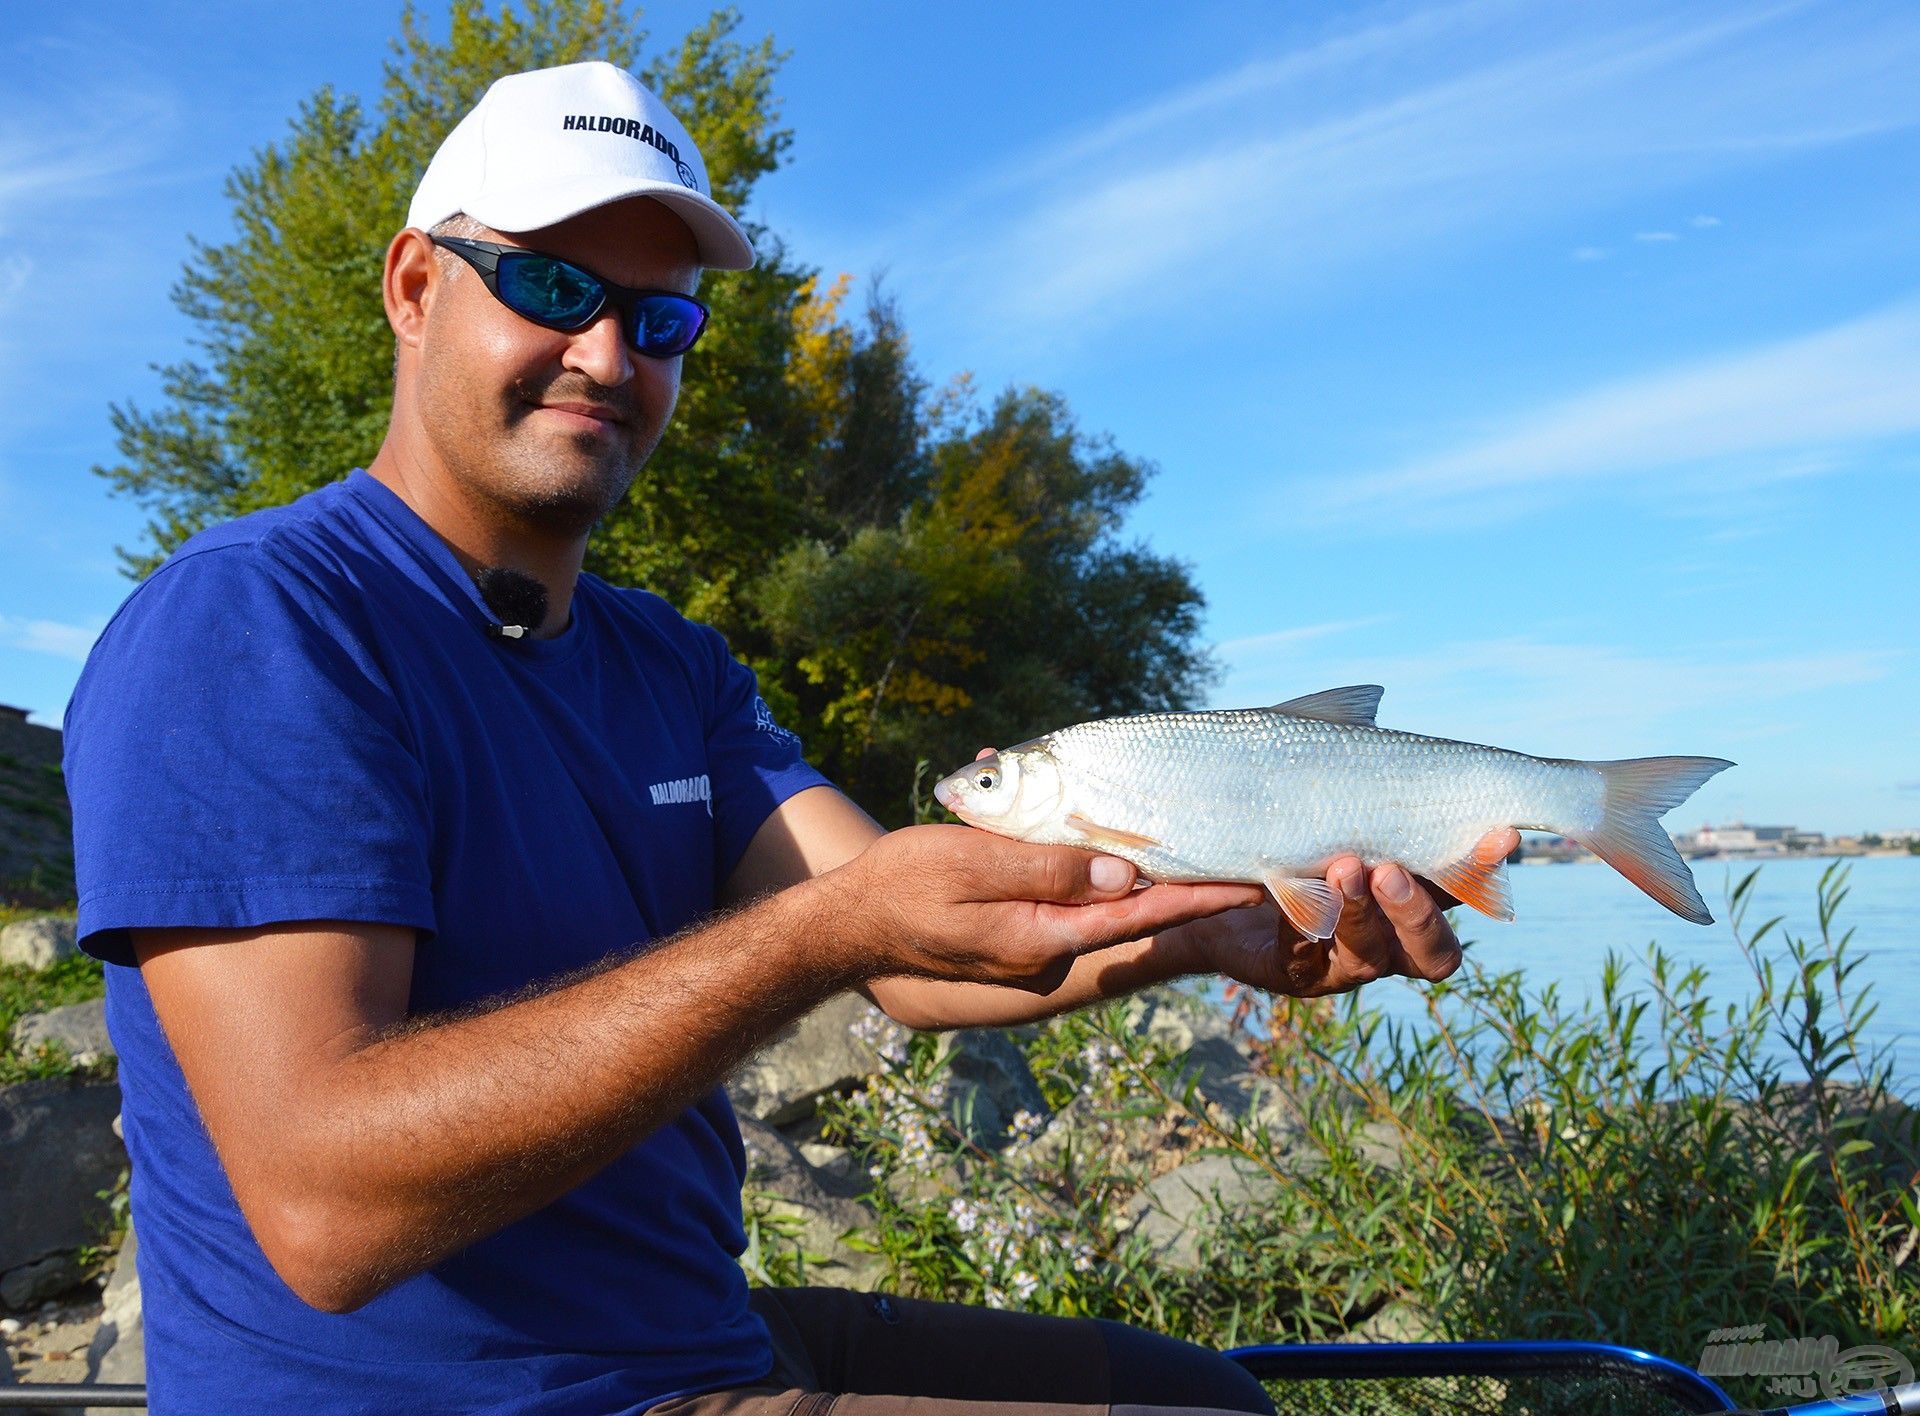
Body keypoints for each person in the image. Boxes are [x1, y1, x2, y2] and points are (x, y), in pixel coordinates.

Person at [64, 60, 1516, 1415]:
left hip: (693, 1329)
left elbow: (911, 949)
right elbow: (325, 1212)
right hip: (495, 1398)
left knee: (1208, 1395)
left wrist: (1210, 934)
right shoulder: (254, 629)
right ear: (411, 286)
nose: (604, 351)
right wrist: (812, 940)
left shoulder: (668, 662)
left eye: (660, 318)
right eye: (552, 284)